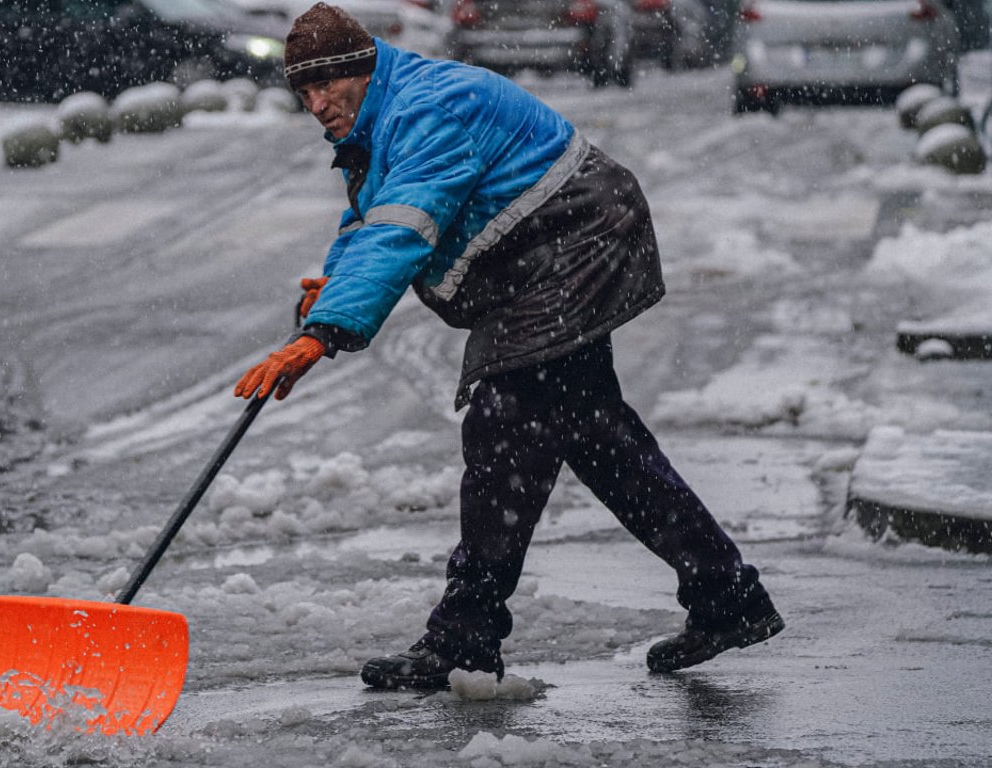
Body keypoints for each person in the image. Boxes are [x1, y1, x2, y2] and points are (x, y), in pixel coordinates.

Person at [234, 3, 784, 689]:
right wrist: (337, 281)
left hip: (574, 239)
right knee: (592, 433)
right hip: (544, 253)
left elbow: (404, 222)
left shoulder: (431, 108)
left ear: (363, 69)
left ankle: (466, 637)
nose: (316, 105)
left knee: (505, 425)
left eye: (327, 87)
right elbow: (372, 215)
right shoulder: (383, 113)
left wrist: (325, 331)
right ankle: (725, 594)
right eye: (304, 93)